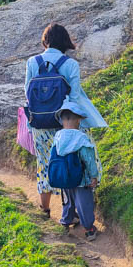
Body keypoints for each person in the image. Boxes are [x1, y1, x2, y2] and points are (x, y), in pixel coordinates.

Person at [24, 23, 106, 218]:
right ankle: (78, 210)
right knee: (76, 162)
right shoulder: (70, 65)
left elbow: (27, 92)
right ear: (65, 42)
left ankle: (45, 209)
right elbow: (75, 97)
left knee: (45, 164)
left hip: (40, 124)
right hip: (66, 123)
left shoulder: (32, 62)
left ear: (46, 41)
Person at [51, 103, 100, 240]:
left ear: (62, 120)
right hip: (81, 179)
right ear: (78, 120)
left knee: (68, 201)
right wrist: (94, 176)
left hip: (64, 177)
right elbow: (89, 159)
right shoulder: (81, 138)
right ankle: (89, 229)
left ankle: (66, 222)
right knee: (84, 203)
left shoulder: (58, 136)